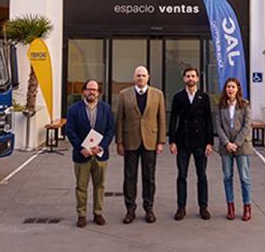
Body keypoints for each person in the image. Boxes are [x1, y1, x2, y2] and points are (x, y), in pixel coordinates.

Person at [114, 65, 166, 224]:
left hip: (150, 141)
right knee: (129, 176)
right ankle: (130, 209)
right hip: (130, 141)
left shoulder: (158, 94)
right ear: (134, 77)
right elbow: (119, 119)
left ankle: (148, 208)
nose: (141, 78)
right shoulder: (124, 94)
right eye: (138, 75)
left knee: (149, 177)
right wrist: (119, 141)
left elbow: (161, 119)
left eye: (143, 75)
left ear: (148, 77)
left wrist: (161, 141)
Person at [64, 79, 115, 228]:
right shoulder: (73, 109)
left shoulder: (106, 109)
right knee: (81, 186)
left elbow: (110, 130)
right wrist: (81, 148)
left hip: (100, 155)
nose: (91, 92)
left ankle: (98, 213)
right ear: (84, 91)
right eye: (89, 89)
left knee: (100, 185)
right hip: (82, 155)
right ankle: (81, 214)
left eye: (94, 89)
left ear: (99, 93)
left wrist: (102, 146)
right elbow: (70, 131)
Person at [169, 66, 213, 220]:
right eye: (188, 76)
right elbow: (173, 119)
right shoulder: (178, 97)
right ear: (183, 79)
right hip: (182, 142)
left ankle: (203, 207)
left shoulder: (204, 97)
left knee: (202, 176)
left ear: (197, 78)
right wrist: (172, 140)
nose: (190, 79)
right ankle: (181, 207)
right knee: (182, 175)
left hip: (200, 142)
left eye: (193, 76)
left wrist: (210, 142)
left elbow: (208, 120)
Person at [214, 77, 254, 222]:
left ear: (237, 89)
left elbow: (247, 126)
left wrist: (236, 143)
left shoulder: (245, 105)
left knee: (244, 178)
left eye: (233, 87)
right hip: (226, 148)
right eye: (228, 87)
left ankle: (247, 207)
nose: (230, 89)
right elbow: (218, 127)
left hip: (242, 147)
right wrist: (227, 144)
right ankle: (230, 208)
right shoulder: (220, 106)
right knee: (227, 177)